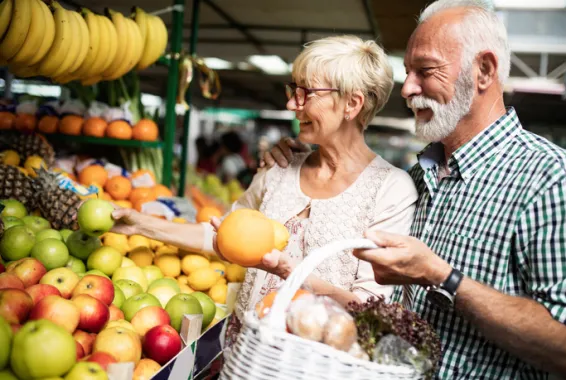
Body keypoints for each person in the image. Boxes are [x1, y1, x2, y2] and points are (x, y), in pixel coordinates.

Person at [262, 1, 566, 379]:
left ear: (484, 71)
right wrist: (298, 159)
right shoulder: (418, 177)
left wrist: (442, 277)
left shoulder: (555, 178)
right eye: (407, 72)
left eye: (425, 70)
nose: (407, 89)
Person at [111, 35, 418, 349]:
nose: (291, 104)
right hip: (244, 354)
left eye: (306, 93)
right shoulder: (279, 169)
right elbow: (220, 236)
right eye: (293, 90)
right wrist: (139, 224)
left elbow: (370, 309)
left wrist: (290, 273)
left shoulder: (390, 189)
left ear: (352, 104)